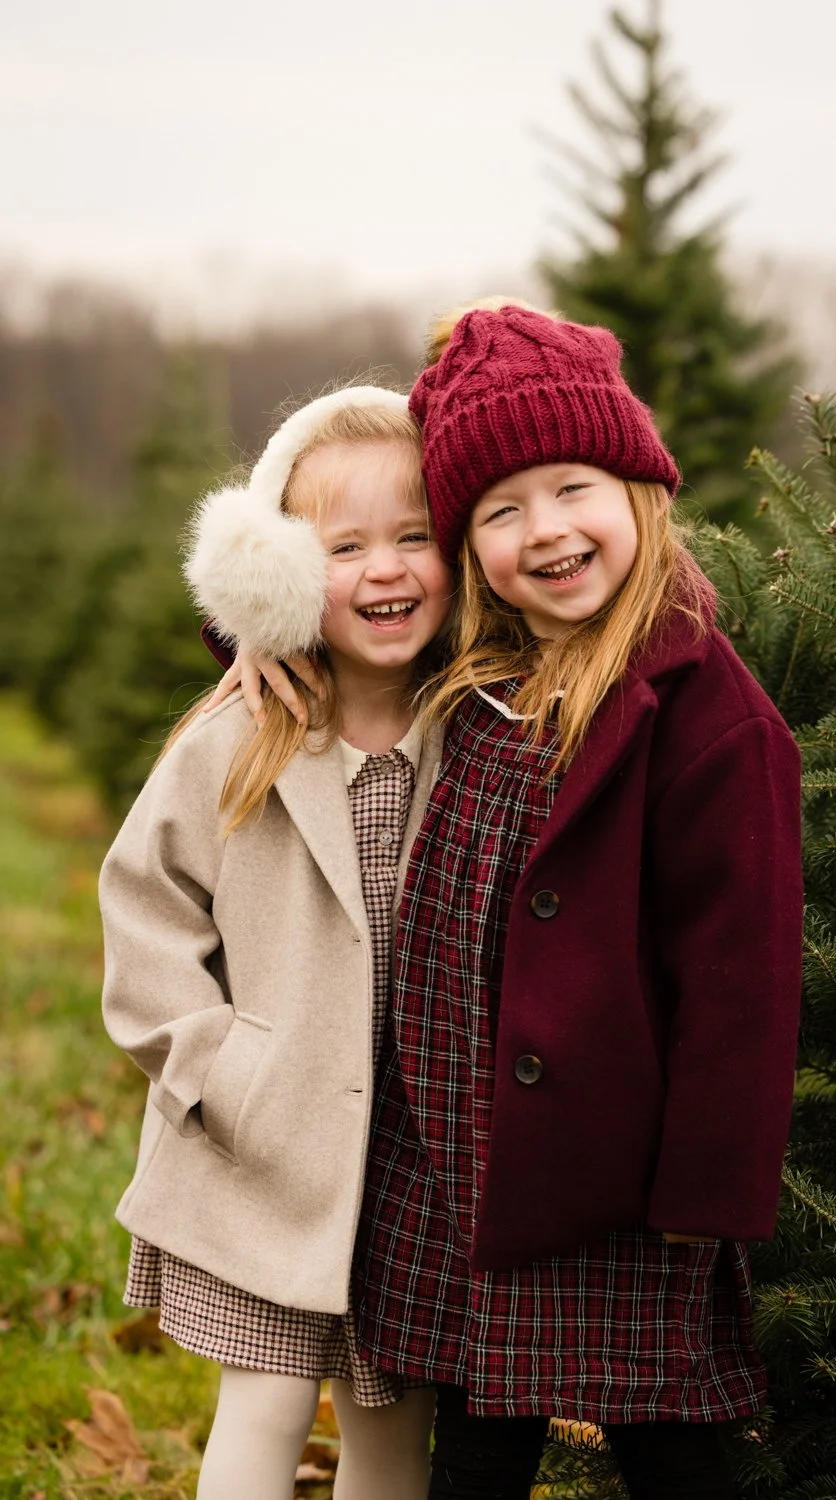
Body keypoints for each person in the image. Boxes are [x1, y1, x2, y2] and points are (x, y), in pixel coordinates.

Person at [207, 302, 804, 1500]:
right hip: (457, 1164)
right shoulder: (479, 667)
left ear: (638, 485)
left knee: (665, 1439)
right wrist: (243, 634)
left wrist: (706, 1191)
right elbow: (351, 609)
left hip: (617, 1184)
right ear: (466, 541)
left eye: (572, 487)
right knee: (476, 1445)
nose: (545, 533)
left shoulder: (705, 715)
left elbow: (741, 978)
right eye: (497, 510)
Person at [99, 386, 451, 1500]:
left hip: (418, 1156)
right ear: (288, 573)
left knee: (392, 1422)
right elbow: (144, 908)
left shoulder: (482, 726)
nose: (385, 571)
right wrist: (221, 1072)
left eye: (415, 538)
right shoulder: (241, 734)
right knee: (264, 1407)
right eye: (345, 547)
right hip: (268, 1142)